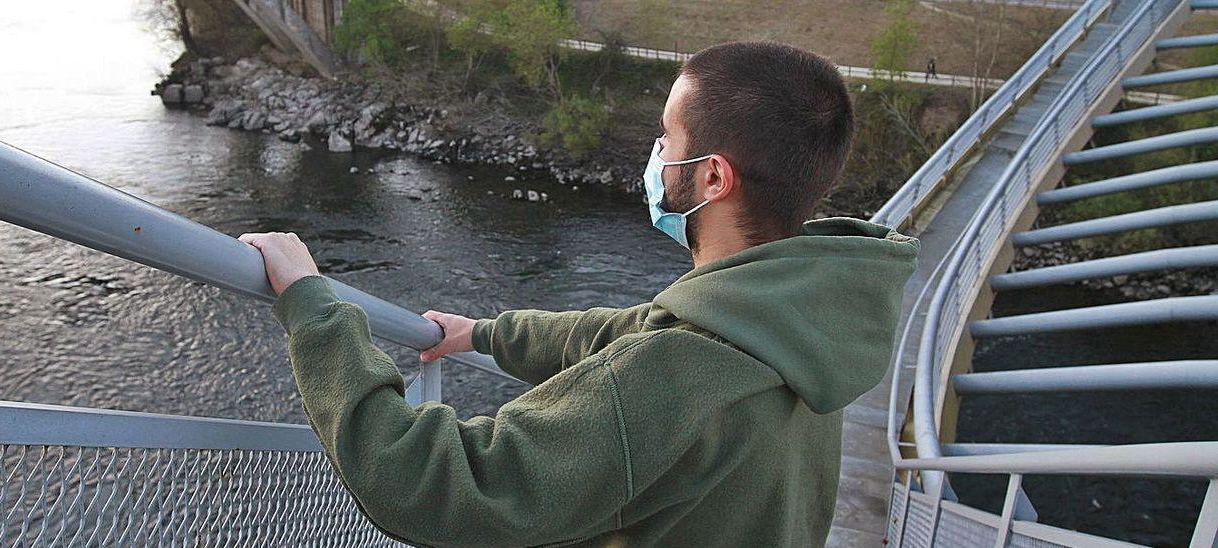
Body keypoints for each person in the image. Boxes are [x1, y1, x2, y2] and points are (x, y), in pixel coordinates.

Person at [240, 41, 918, 547]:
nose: (655, 153)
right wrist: (484, 332)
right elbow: (624, 330)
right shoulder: (805, 327)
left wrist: (311, 302)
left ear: (712, 177)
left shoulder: (678, 371)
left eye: (667, 137)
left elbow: (429, 481)